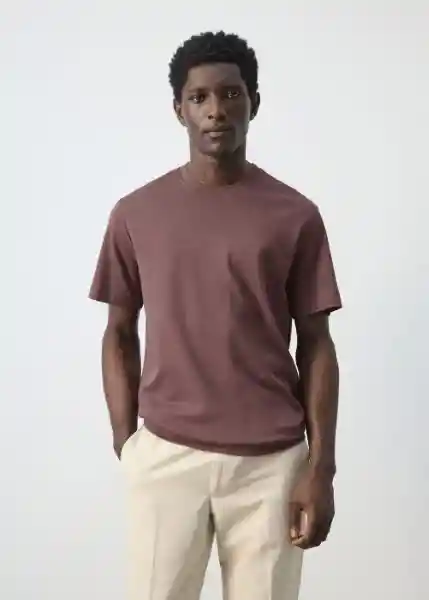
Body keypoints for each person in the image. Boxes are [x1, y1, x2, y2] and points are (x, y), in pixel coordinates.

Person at [89, 30, 342, 600]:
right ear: (178, 109)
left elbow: (317, 343)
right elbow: (118, 332)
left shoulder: (295, 215)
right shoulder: (135, 213)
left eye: (231, 94)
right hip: (167, 455)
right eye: (199, 97)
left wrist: (321, 467)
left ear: (254, 102)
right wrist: (128, 444)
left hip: (271, 465)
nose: (215, 110)